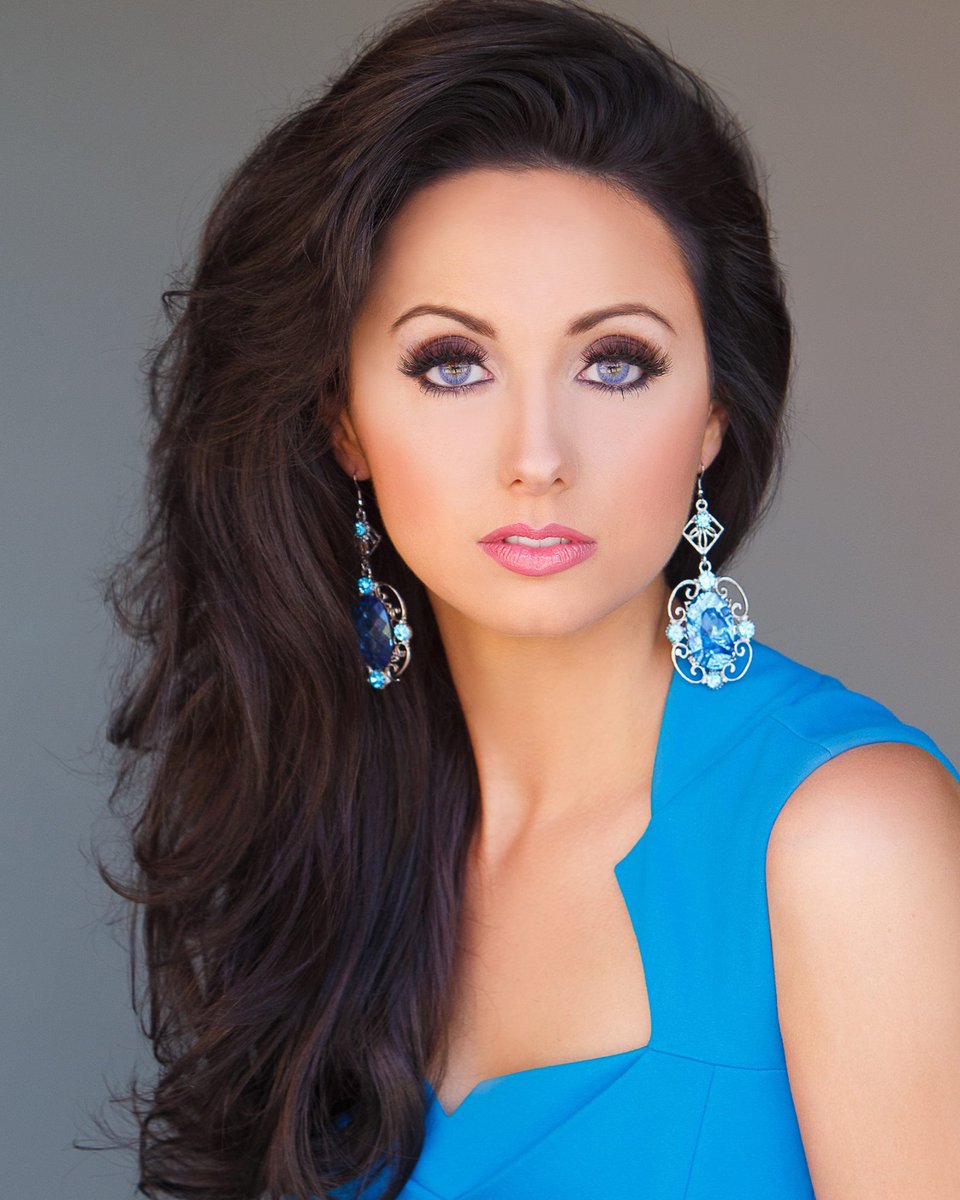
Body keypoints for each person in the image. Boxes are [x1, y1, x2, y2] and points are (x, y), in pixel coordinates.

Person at [97, 0, 960, 1197]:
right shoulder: (337, 831)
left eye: (617, 363)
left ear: (715, 414)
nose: (538, 456)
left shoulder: (851, 842)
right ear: (344, 421)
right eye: (453, 364)